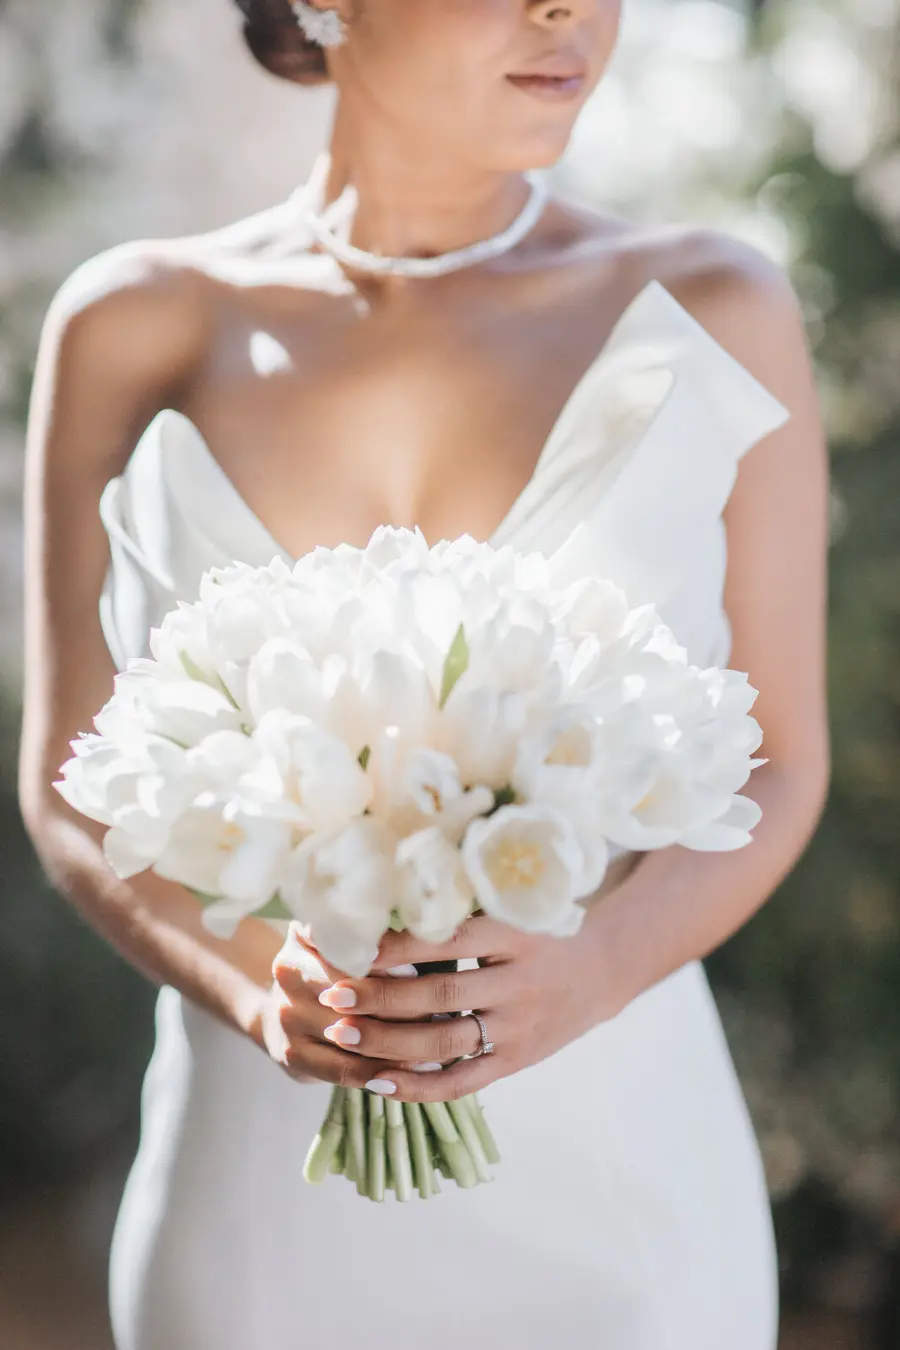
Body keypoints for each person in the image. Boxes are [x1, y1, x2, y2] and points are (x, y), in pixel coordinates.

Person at [18, 2, 830, 1347]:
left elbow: (783, 761)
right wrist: (252, 978)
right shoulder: (129, 323)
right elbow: (69, 781)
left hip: (625, 1203)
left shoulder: (715, 305)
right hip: (258, 1208)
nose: (566, 10)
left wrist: (597, 964)